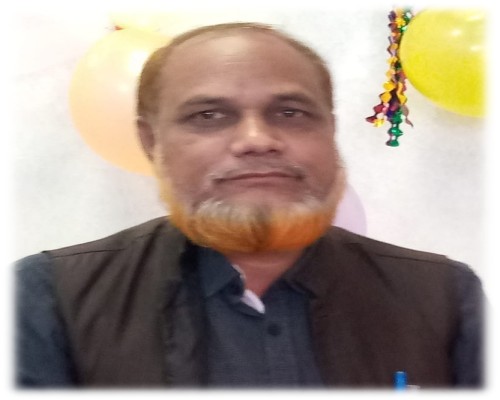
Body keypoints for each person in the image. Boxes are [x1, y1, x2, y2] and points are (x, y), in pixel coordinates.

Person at [15, 22, 484, 388]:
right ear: (151, 141)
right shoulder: (50, 298)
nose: (257, 139)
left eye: (290, 113)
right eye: (209, 115)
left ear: (330, 131)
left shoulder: (442, 296)